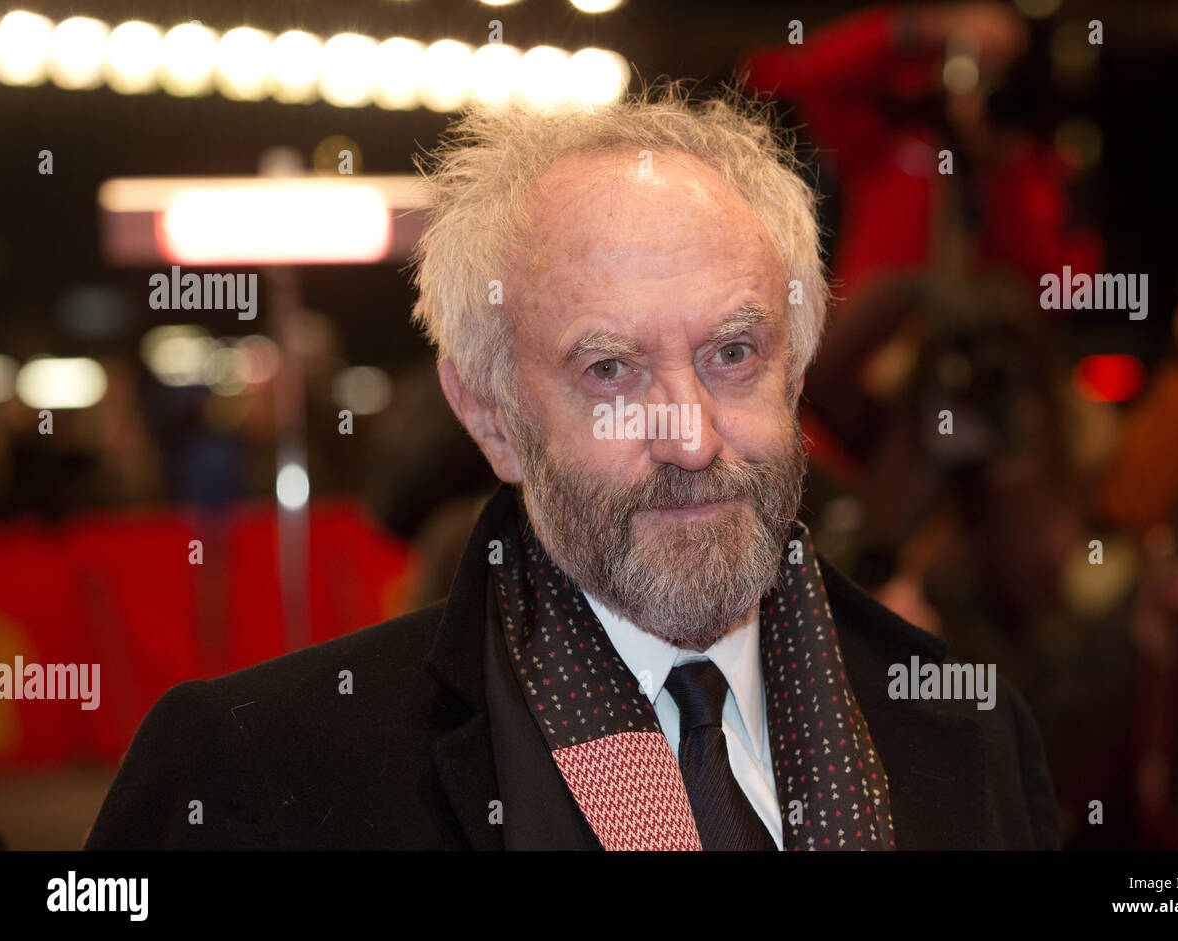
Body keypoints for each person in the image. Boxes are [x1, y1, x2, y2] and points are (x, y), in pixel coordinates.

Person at [85, 82, 1058, 851]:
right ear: (490, 412)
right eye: (609, 368)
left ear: (795, 368)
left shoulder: (962, 727)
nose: (689, 435)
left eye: (732, 354)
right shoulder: (258, 773)